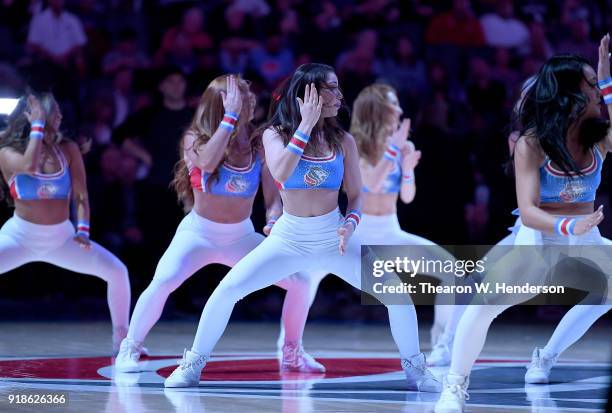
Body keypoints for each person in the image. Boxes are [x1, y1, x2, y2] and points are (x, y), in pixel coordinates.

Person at [163, 63, 441, 392]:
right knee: (225, 292)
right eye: (331, 89)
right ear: (309, 93)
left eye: (338, 88)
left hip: (333, 237)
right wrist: (305, 125)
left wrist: (349, 226)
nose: (339, 95)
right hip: (289, 239)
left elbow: (355, 196)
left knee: (398, 296)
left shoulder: (343, 140)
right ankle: (192, 365)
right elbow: (281, 170)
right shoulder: (273, 134)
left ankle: (416, 370)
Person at [435, 37, 612, 413]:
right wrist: (569, 228)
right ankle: (453, 386)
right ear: (568, 94)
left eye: (597, 85)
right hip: (539, 237)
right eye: (590, 84)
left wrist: (605, 75)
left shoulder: (599, 138)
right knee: (483, 306)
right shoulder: (531, 144)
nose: (597, 91)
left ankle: (546, 357)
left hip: (586, 234)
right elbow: (528, 210)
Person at [115, 75, 322, 374]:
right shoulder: (194, 138)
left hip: (241, 237)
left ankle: (291, 352)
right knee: (163, 281)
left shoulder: (258, 141)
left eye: (250, 96)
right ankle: (130, 346)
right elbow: (208, 164)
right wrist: (229, 119)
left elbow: (272, 195)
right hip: (199, 234)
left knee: (301, 282)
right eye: (242, 96)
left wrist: (273, 220)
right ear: (221, 103)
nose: (251, 100)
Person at [0, 94, 130, 352]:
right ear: (32, 117)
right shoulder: (6, 152)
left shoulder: (68, 149)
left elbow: (81, 195)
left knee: (117, 272)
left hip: (62, 239)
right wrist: (38, 127)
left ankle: (123, 341)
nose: (60, 117)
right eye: (53, 112)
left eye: (60, 112)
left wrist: (83, 230)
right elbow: (29, 164)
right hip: (18, 238)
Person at [349, 83, 463, 366]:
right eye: (393, 104)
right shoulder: (356, 144)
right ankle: (290, 345)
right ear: (377, 109)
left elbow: (408, 197)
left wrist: (408, 168)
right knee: (307, 279)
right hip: (355, 236)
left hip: (389, 231)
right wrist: (393, 152)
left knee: (455, 274)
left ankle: (442, 344)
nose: (400, 110)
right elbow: (369, 186)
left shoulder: (404, 146)